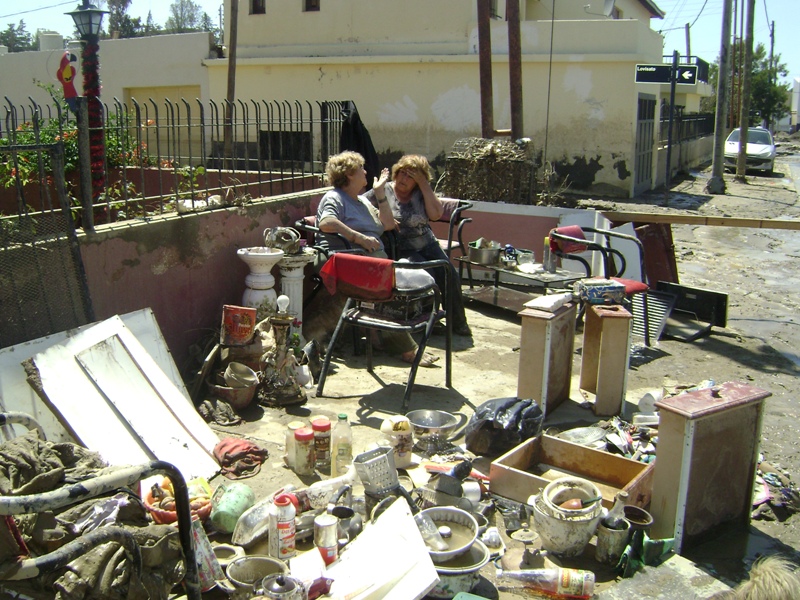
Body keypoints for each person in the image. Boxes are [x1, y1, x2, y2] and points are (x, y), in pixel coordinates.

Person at [305, 150, 439, 367]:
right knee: (388, 290)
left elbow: (386, 224)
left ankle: (379, 334)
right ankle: (406, 349)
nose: (366, 172)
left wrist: (380, 194)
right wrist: (359, 238)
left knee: (408, 277)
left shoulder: (361, 201)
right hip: (343, 261)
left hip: (371, 264)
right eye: (361, 169)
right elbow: (327, 222)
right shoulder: (335, 197)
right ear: (349, 174)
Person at [366, 154, 472, 337]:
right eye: (401, 174)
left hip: (427, 243)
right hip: (402, 248)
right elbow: (361, 204)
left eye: (410, 176)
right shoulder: (385, 191)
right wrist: (379, 213)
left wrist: (424, 184)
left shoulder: (421, 194)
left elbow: (436, 214)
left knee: (449, 274)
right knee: (425, 276)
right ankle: (426, 323)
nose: (403, 179)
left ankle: (458, 323)